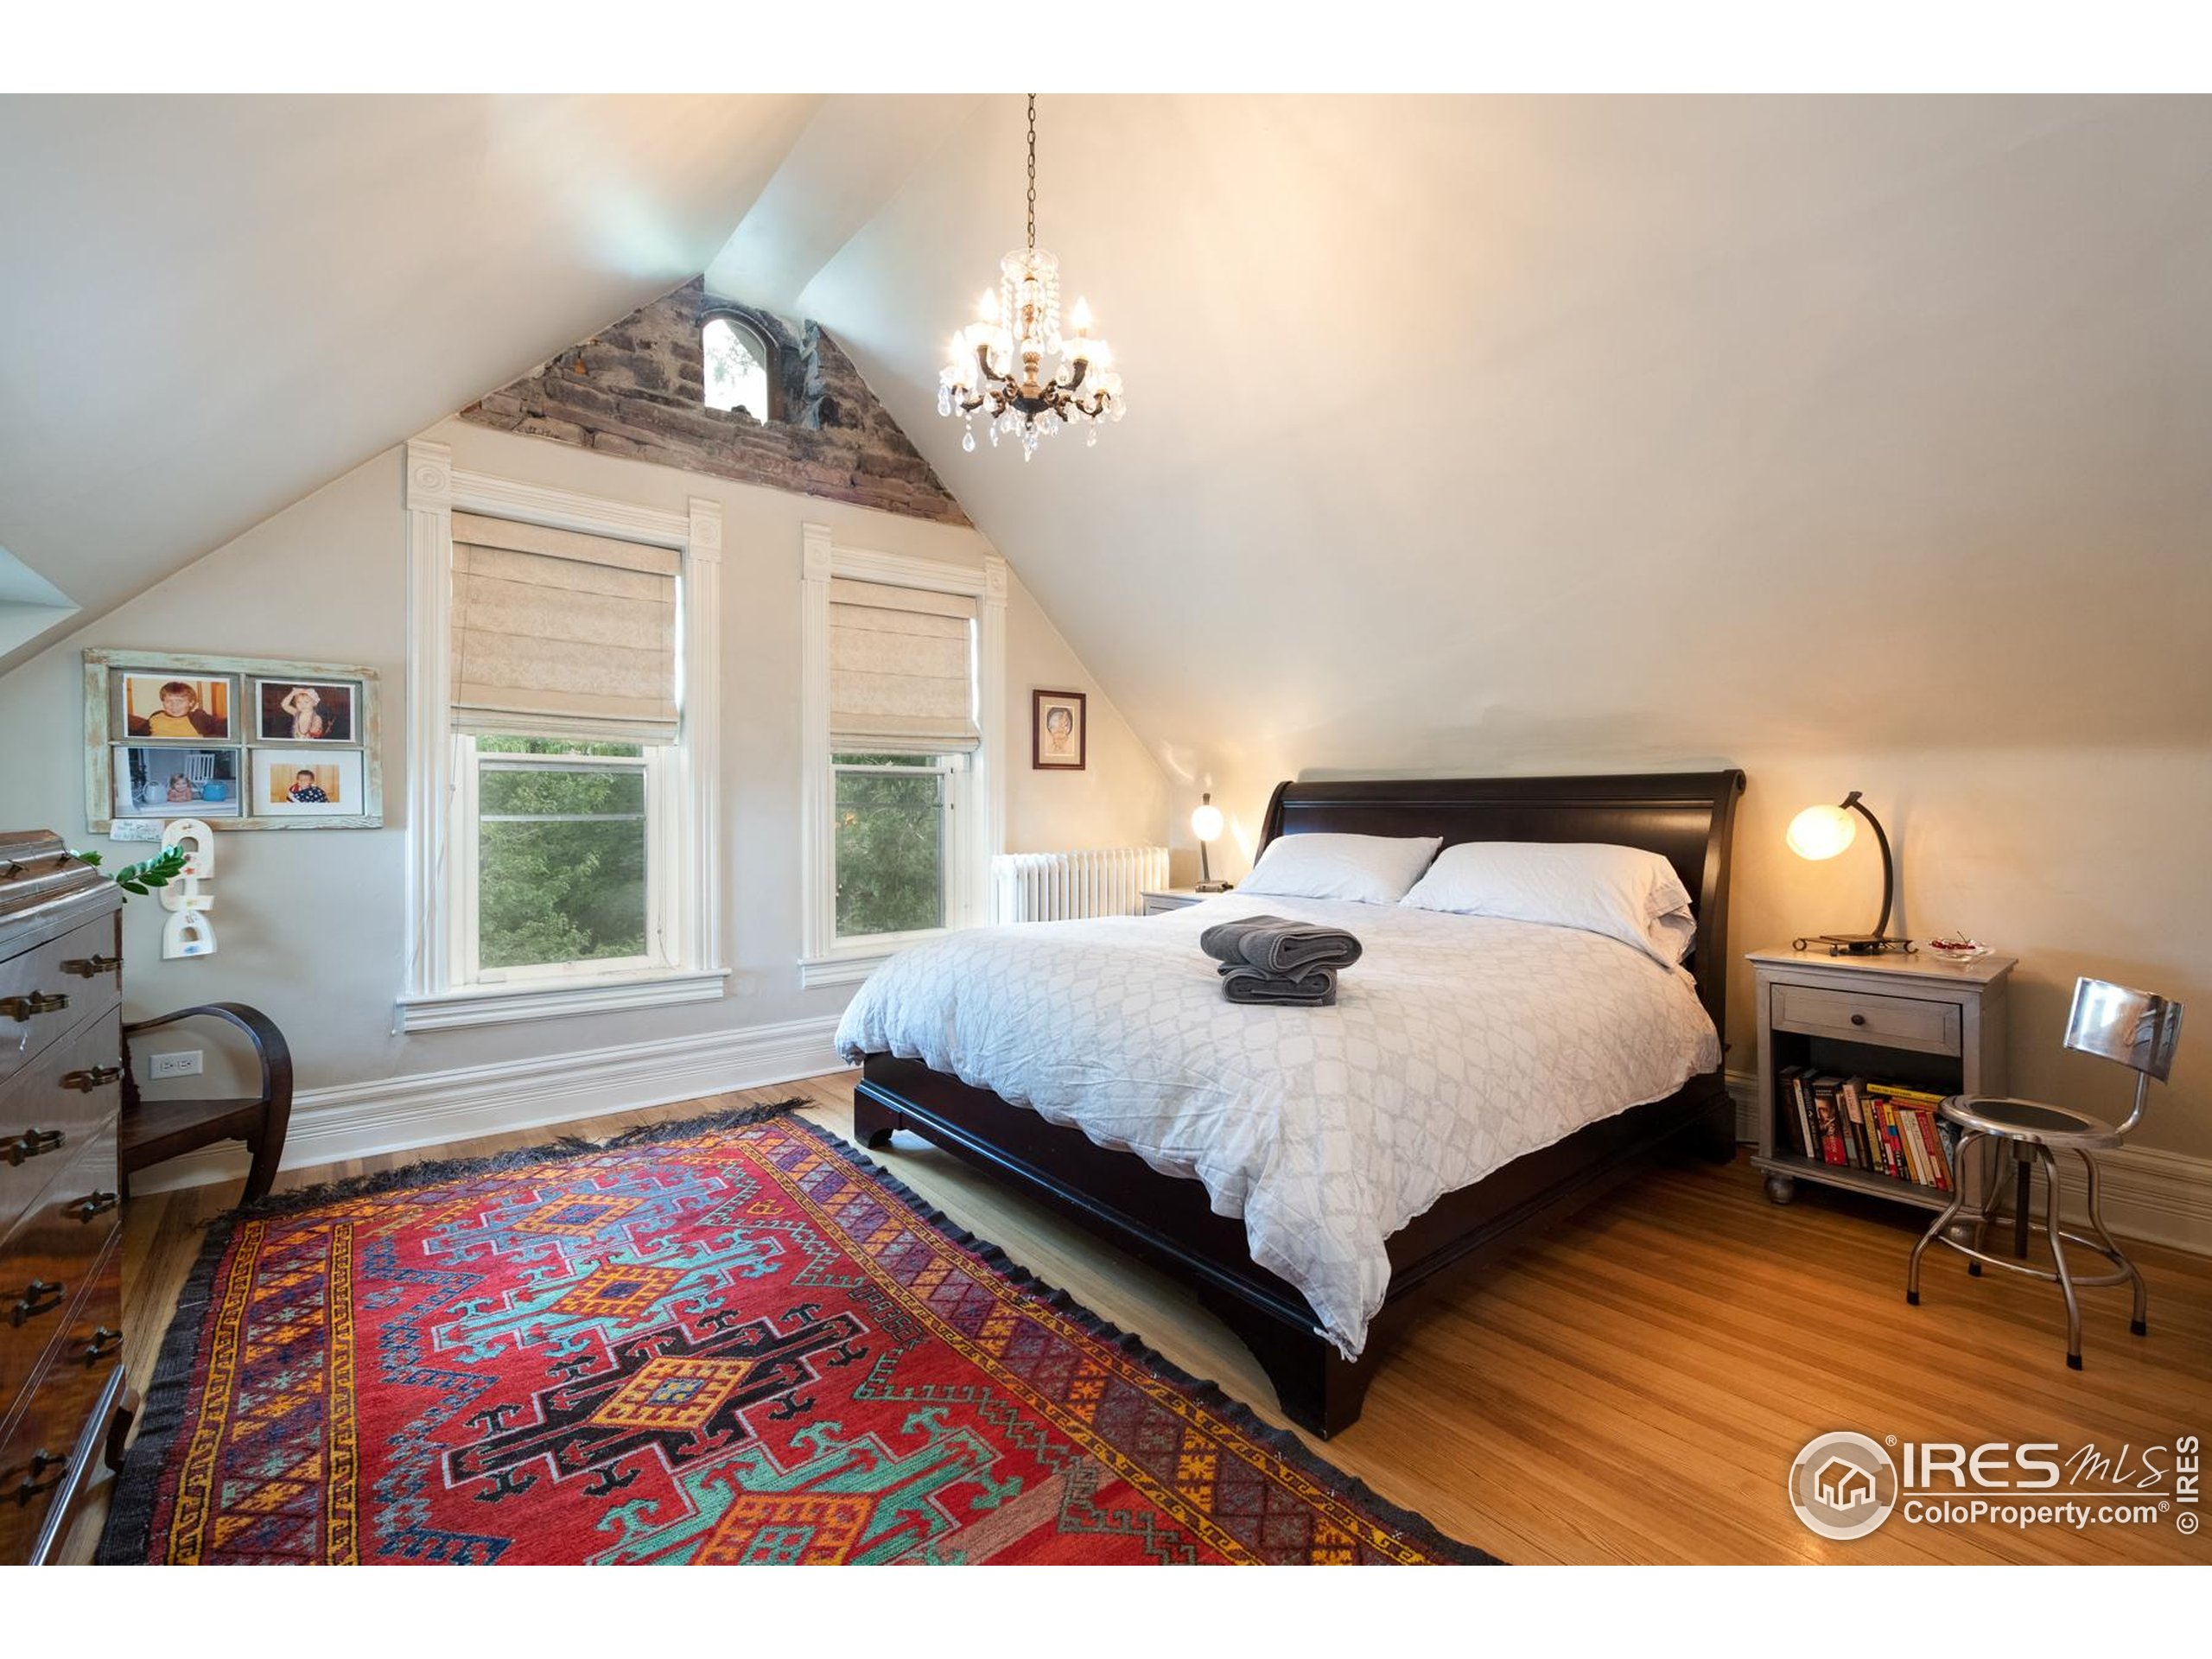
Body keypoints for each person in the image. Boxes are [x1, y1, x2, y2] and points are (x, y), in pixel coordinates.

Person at [130, 680, 225, 738]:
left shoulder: (198, 717)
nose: (174, 705)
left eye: (180, 701)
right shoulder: (156, 717)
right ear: (162, 702)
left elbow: (224, 727)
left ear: (191, 703)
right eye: (168, 701)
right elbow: (136, 735)